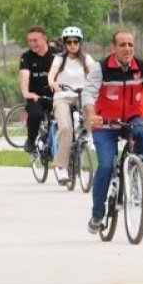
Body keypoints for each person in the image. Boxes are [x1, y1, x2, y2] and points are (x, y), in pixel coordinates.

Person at [83, 30, 143, 234]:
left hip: (131, 118)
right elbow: (88, 93)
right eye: (122, 45)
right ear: (113, 48)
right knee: (105, 167)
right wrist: (91, 114)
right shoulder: (101, 68)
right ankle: (97, 214)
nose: (127, 49)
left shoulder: (141, 66)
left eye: (131, 44)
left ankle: (135, 173)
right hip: (104, 123)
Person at [47, 26, 96, 185]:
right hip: (62, 97)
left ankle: (88, 138)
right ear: (65, 43)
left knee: (92, 112)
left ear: (80, 43)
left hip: (81, 95)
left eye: (75, 41)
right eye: (69, 42)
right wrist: (52, 83)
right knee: (65, 128)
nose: (72, 45)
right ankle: (61, 167)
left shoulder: (85, 58)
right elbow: (52, 73)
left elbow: (95, 71)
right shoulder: (59, 59)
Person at [18, 26, 57, 153]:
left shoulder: (58, 54)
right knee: (35, 115)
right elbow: (24, 75)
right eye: (30, 41)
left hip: (56, 96)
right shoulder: (26, 57)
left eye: (35, 40)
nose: (32, 44)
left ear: (44, 39)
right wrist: (26, 92)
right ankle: (31, 140)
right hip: (36, 97)